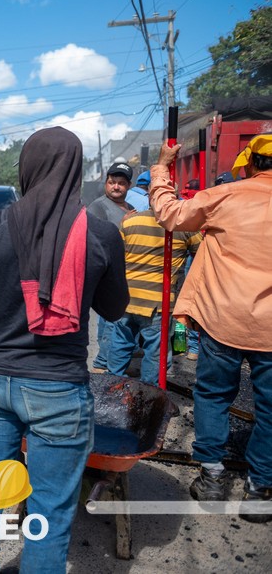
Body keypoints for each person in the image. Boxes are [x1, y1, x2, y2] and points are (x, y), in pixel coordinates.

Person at [0, 127, 128, 572]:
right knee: (48, 513)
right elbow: (114, 309)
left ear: (27, 168)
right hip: (59, 391)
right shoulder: (101, 233)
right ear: (75, 170)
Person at [151, 135, 272, 523]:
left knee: (214, 396)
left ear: (250, 163)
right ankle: (259, 488)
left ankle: (213, 477)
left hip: (222, 321)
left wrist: (162, 168)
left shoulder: (226, 196)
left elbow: (170, 214)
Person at [107, 209, 201, 385]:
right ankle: (148, 392)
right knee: (155, 351)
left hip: (127, 298)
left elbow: (115, 255)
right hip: (157, 302)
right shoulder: (184, 224)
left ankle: (112, 384)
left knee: (121, 342)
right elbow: (202, 254)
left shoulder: (130, 221)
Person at [87, 161, 136, 373]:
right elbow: (93, 239)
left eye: (121, 183)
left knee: (118, 318)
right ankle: (102, 363)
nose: (116, 186)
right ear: (106, 183)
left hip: (125, 270)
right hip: (106, 271)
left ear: (129, 185)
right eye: (112, 182)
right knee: (110, 319)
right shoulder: (98, 207)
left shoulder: (130, 208)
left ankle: (108, 361)